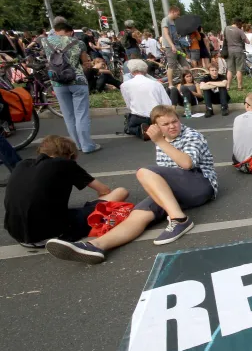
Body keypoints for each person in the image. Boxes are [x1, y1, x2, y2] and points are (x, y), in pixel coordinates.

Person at [45, 105, 218, 264]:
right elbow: (166, 173)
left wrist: (160, 142)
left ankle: (179, 220)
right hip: (177, 190)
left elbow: (187, 164)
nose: (172, 126)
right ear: (156, 127)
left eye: (175, 121)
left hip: (201, 185)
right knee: (138, 214)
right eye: (165, 124)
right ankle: (96, 246)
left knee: (144, 172)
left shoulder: (190, 135)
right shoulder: (163, 139)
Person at [4, 135, 129, 248]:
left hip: (17, 234)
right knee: (121, 192)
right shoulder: (65, 164)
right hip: (51, 234)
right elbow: (104, 190)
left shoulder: (22, 164)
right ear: (70, 155)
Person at [41, 17, 102, 154]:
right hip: (77, 81)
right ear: (70, 31)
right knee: (81, 114)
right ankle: (87, 145)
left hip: (57, 82)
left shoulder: (45, 42)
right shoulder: (78, 42)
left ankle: (77, 145)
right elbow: (85, 63)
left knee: (68, 116)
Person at [121, 59, 171, 139]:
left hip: (138, 117)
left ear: (130, 71)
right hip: (156, 116)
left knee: (129, 128)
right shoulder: (156, 84)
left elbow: (128, 105)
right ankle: (158, 128)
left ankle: (142, 131)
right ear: (145, 70)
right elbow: (167, 103)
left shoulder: (124, 85)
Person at [161, 6, 189, 91]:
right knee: (171, 66)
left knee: (185, 64)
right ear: (173, 12)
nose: (178, 16)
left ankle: (187, 81)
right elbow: (166, 34)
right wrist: (172, 45)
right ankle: (170, 84)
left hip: (177, 46)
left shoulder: (174, 21)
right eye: (177, 14)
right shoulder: (165, 20)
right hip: (170, 47)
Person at [225, 18, 249, 91]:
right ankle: (239, 86)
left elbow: (224, 38)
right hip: (239, 50)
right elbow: (247, 41)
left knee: (230, 69)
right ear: (239, 23)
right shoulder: (239, 31)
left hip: (229, 50)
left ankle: (228, 86)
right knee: (239, 69)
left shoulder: (226, 28)